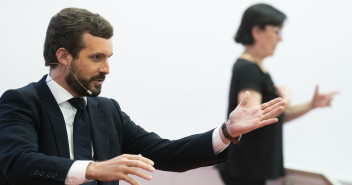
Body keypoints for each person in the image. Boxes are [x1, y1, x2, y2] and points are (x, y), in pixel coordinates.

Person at [0, 7, 285, 185]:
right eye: (97, 57)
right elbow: (18, 163)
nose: (107, 69)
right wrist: (94, 169)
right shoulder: (22, 102)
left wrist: (226, 132)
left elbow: (166, 153)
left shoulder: (107, 110)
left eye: (109, 57)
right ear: (64, 56)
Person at [215, 3, 338, 185]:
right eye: (276, 32)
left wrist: (310, 105)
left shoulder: (256, 69)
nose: (279, 39)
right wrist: (286, 99)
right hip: (244, 168)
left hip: (249, 168)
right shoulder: (248, 69)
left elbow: (275, 117)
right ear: (257, 31)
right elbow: (252, 118)